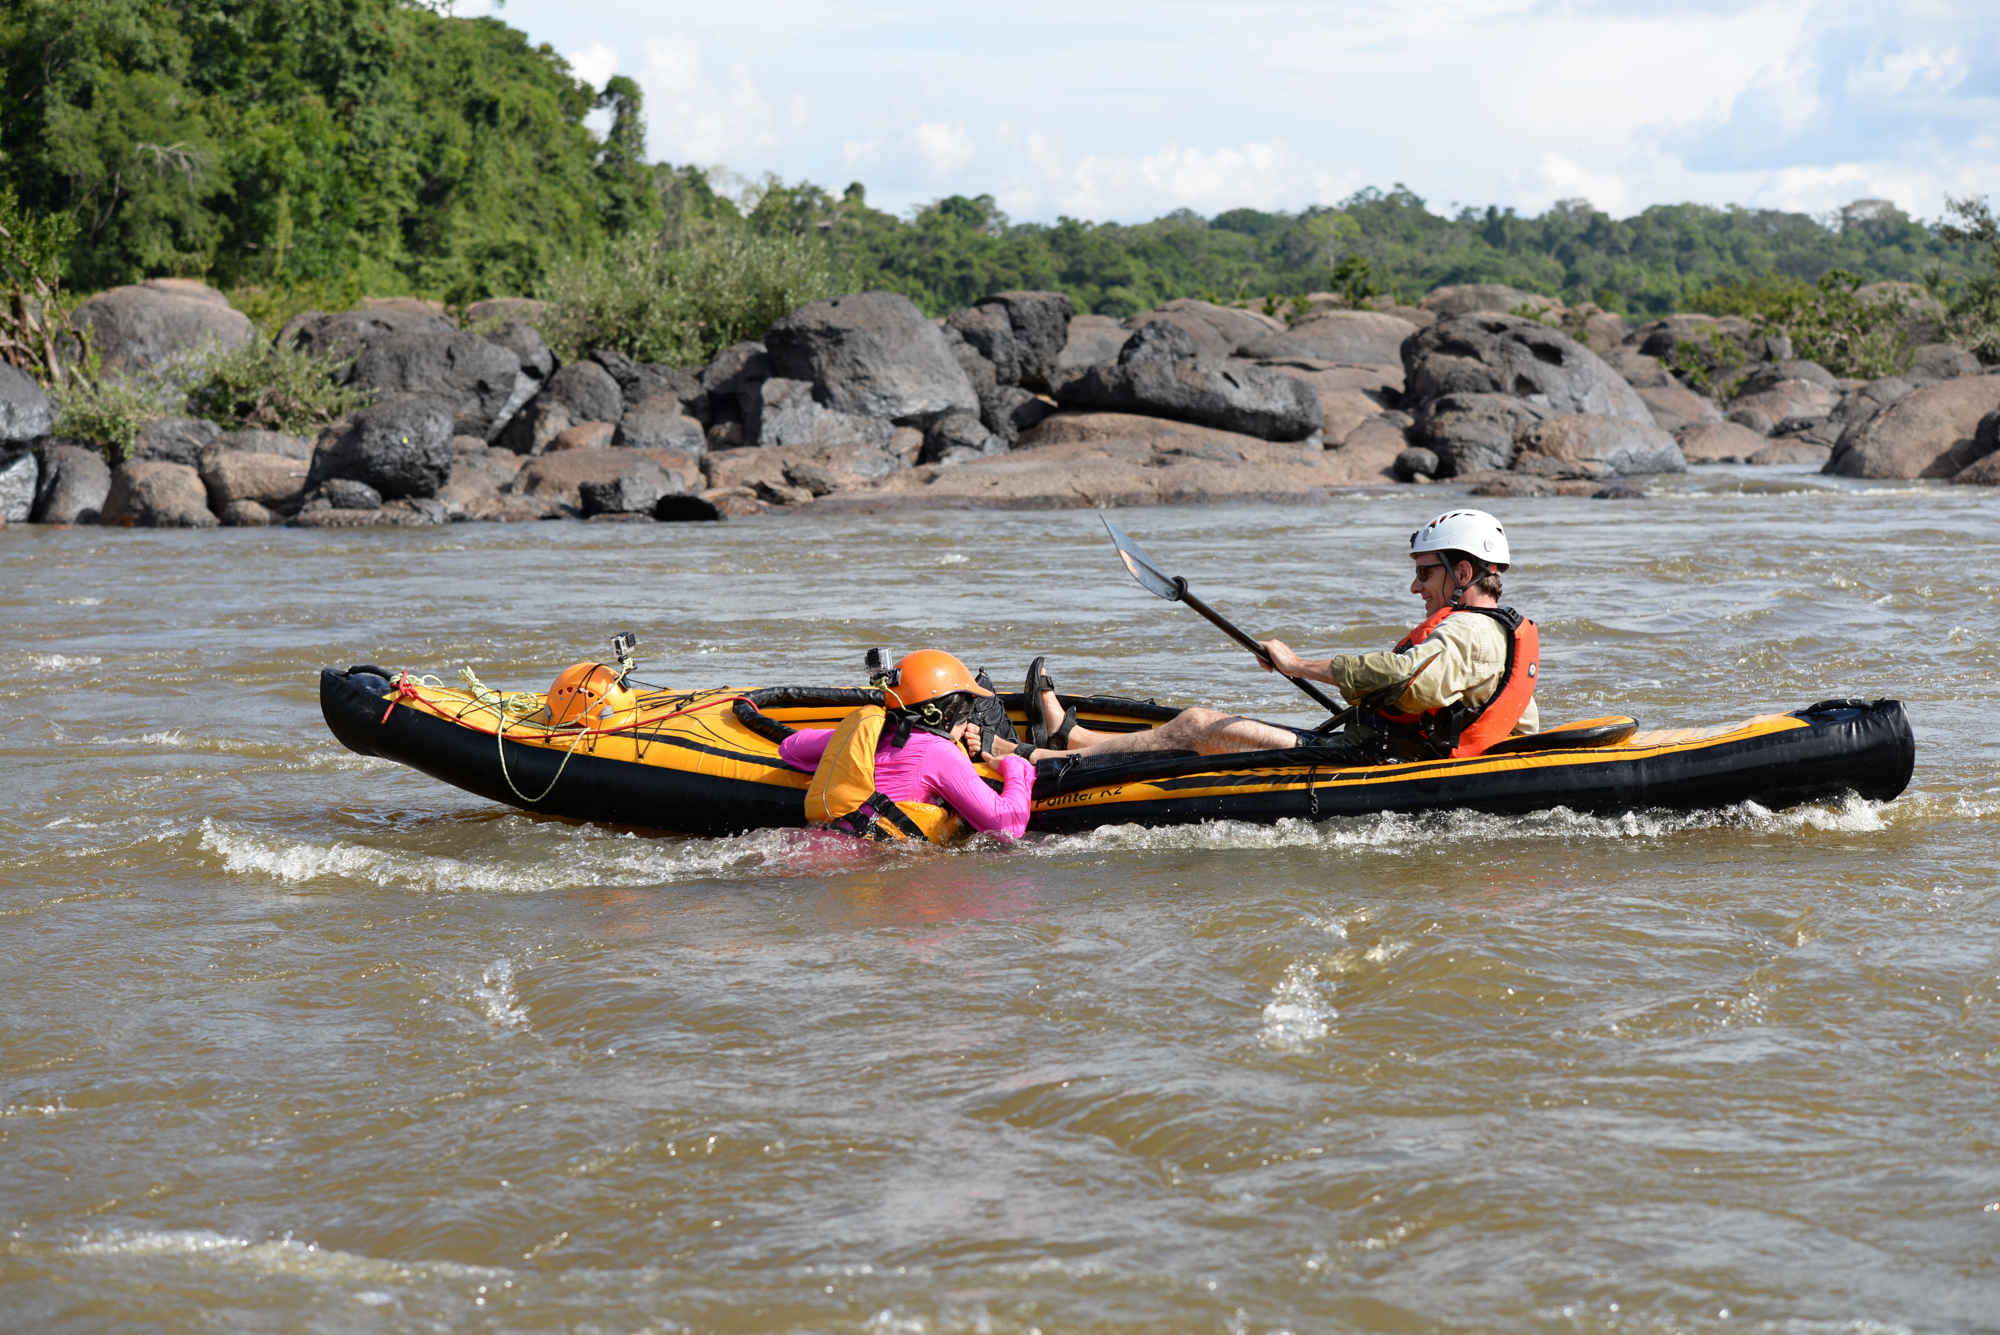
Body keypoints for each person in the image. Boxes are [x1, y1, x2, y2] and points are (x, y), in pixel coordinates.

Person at [1002, 509, 1540, 764]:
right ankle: (1073, 739)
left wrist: (1299, 664)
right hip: (1382, 747)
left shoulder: (1470, 632)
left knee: (1198, 723)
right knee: (1201, 728)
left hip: (1376, 763)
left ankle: (1049, 762)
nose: (1415, 585)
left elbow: (1407, 678)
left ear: (1464, 574)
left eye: (1426, 573)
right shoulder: (1493, 633)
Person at [780, 650, 1037, 841]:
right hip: (873, 863)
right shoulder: (939, 752)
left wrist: (861, 728)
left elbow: (790, 748)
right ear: (947, 713)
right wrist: (1017, 765)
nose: (968, 719)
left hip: (818, 846)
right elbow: (1007, 827)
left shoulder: (867, 736)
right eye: (967, 709)